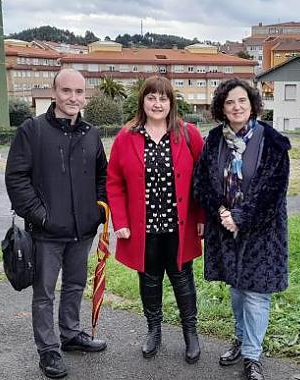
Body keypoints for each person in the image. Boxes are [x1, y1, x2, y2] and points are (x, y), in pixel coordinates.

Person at [5, 69, 108, 379]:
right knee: (44, 294)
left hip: (83, 231)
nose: (73, 97)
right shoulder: (32, 130)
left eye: (79, 92)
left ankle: (71, 334)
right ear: (54, 93)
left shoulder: (90, 132)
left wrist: (99, 210)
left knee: (76, 285)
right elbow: (16, 178)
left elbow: (103, 175)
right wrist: (41, 216)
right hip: (46, 234)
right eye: (66, 91)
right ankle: (49, 350)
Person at [192, 78, 291, 380]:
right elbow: (202, 183)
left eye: (242, 101)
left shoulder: (271, 140)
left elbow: (274, 189)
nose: (237, 107)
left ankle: (252, 355)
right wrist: (222, 211)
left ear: (252, 104)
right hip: (225, 230)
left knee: (257, 294)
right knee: (237, 290)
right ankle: (239, 339)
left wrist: (241, 217)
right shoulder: (213, 140)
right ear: (222, 108)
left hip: (262, 232)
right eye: (230, 102)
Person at [106, 76, 205, 363]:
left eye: (163, 98)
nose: (157, 103)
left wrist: (201, 216)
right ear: (143, 101)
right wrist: (120, 221)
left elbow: (201, 181)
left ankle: (190, 332)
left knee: (182, 279)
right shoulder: (127, 136)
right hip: (143, 227)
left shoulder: (188, 135)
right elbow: (115, 182)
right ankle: (153, 330)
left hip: (179, 225)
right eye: (151, 97)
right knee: (149, 280)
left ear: (171, 103)